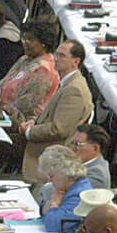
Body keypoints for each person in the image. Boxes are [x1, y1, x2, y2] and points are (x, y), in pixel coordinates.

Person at [20, 39, 93, 183]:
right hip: (42, 136)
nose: (56, 58)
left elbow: (58, 130)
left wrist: (29, 132)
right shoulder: (68, 83)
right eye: (56, 54)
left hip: (48, 148)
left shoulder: (74, 90)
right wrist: (33, 122)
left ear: (76, 61)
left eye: (62, 56)